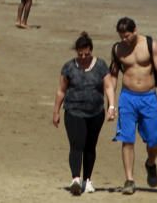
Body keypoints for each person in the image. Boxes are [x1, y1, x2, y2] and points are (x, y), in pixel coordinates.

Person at [105, 17, 157, 196]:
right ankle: (129, 180)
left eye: (127, 36)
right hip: (127, 97)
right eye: (121, 36)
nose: (124, 39)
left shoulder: (150, 45)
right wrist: (111, 105)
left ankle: (150, 163)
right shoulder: (117, 49)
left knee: (153, 140)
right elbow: (113, 76)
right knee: (127, 139)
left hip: (148, 98)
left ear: (135, 31)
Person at [53, 32, 110, 196]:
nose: (84, 57)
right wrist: (56, 111)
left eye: (87, 54)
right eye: (80, 54)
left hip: (96, 112)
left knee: (90, 146)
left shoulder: (100, 66)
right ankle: (76, 179)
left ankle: (88, 180)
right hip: (73, 111)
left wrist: (112, 106)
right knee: (77, 144)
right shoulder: (69, 67)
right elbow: (61, 91)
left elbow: (108, 87)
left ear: (91, 51)